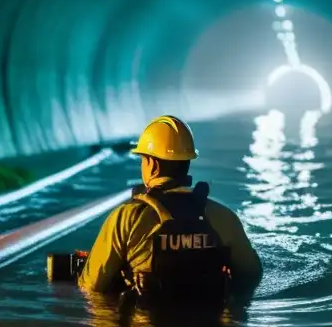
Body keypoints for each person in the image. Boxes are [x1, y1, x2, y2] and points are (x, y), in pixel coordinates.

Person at [78, 115, 262, 300]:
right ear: (187, 162)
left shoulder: (126, 218)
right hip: (210, 326)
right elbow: (251, 275)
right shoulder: (224, 217)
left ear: (152, 164)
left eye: (143, 159)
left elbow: (92, 286)